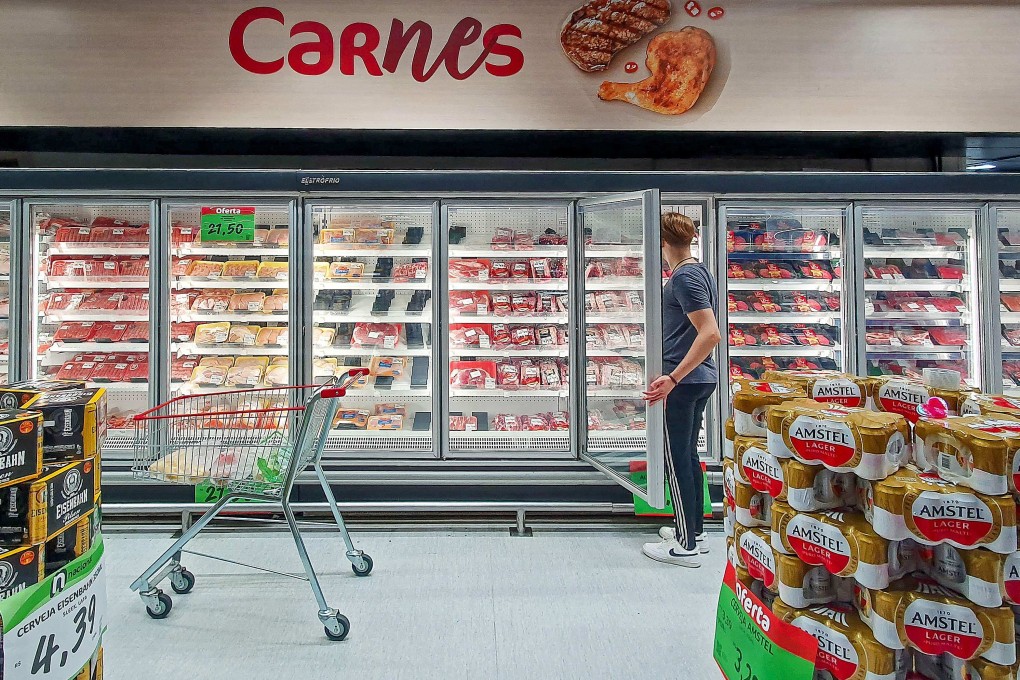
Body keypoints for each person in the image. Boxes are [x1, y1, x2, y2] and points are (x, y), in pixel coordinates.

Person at [641, 212, 721, 568]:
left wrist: (673, 378)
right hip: (698, 379)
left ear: (661, 242)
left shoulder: (686, 276)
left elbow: (710, 333)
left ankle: (685, 546)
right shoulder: (697, 270)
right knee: (687, 457)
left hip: (685, 383)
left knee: (677, 461)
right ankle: (694, 532)